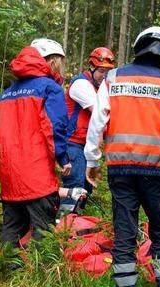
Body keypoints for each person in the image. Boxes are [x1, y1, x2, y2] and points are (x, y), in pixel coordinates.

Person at [85, 26, 160, 287]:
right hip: (155, 171)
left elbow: (97, 122)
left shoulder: (114, 77)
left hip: (120, 170)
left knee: (124, 235)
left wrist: (92, 162)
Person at [0, 38, 72, 248]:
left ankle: (6, 273)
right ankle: (39, 277)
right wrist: (63, 158)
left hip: (10, 174)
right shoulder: (49, 88)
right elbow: (55, 128)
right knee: (43, 230)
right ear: (51, 61)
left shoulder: (7, 93)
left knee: (12, 227)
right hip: (37, 173)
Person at [61, 47, 115, 214]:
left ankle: (75, 227)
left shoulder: (102, 88)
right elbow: (100, 112)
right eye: (100, 71)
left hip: (88, 146)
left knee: (86, 189)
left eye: (107, 71)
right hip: (74, 144)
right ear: (91, 67)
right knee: (75, 187)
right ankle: (63, 227)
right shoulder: (81, 84)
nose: (104, 75)